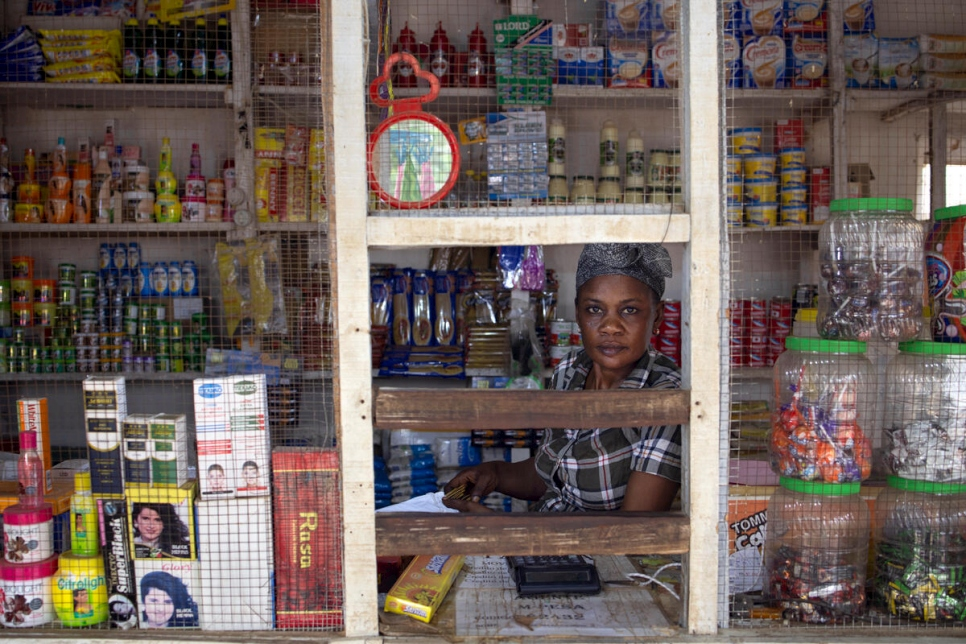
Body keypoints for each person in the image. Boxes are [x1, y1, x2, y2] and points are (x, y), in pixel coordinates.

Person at [444, 243, 682, 513]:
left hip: (598, 554)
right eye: (595, 309)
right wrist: (494, 474)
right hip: (542, 543)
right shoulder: (571, 370)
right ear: (578, 313)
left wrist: (504, 531)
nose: (610, 327)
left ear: (658, 315)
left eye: (629, 310)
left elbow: (634, 534)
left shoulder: (665, 397)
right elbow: (559, 474)